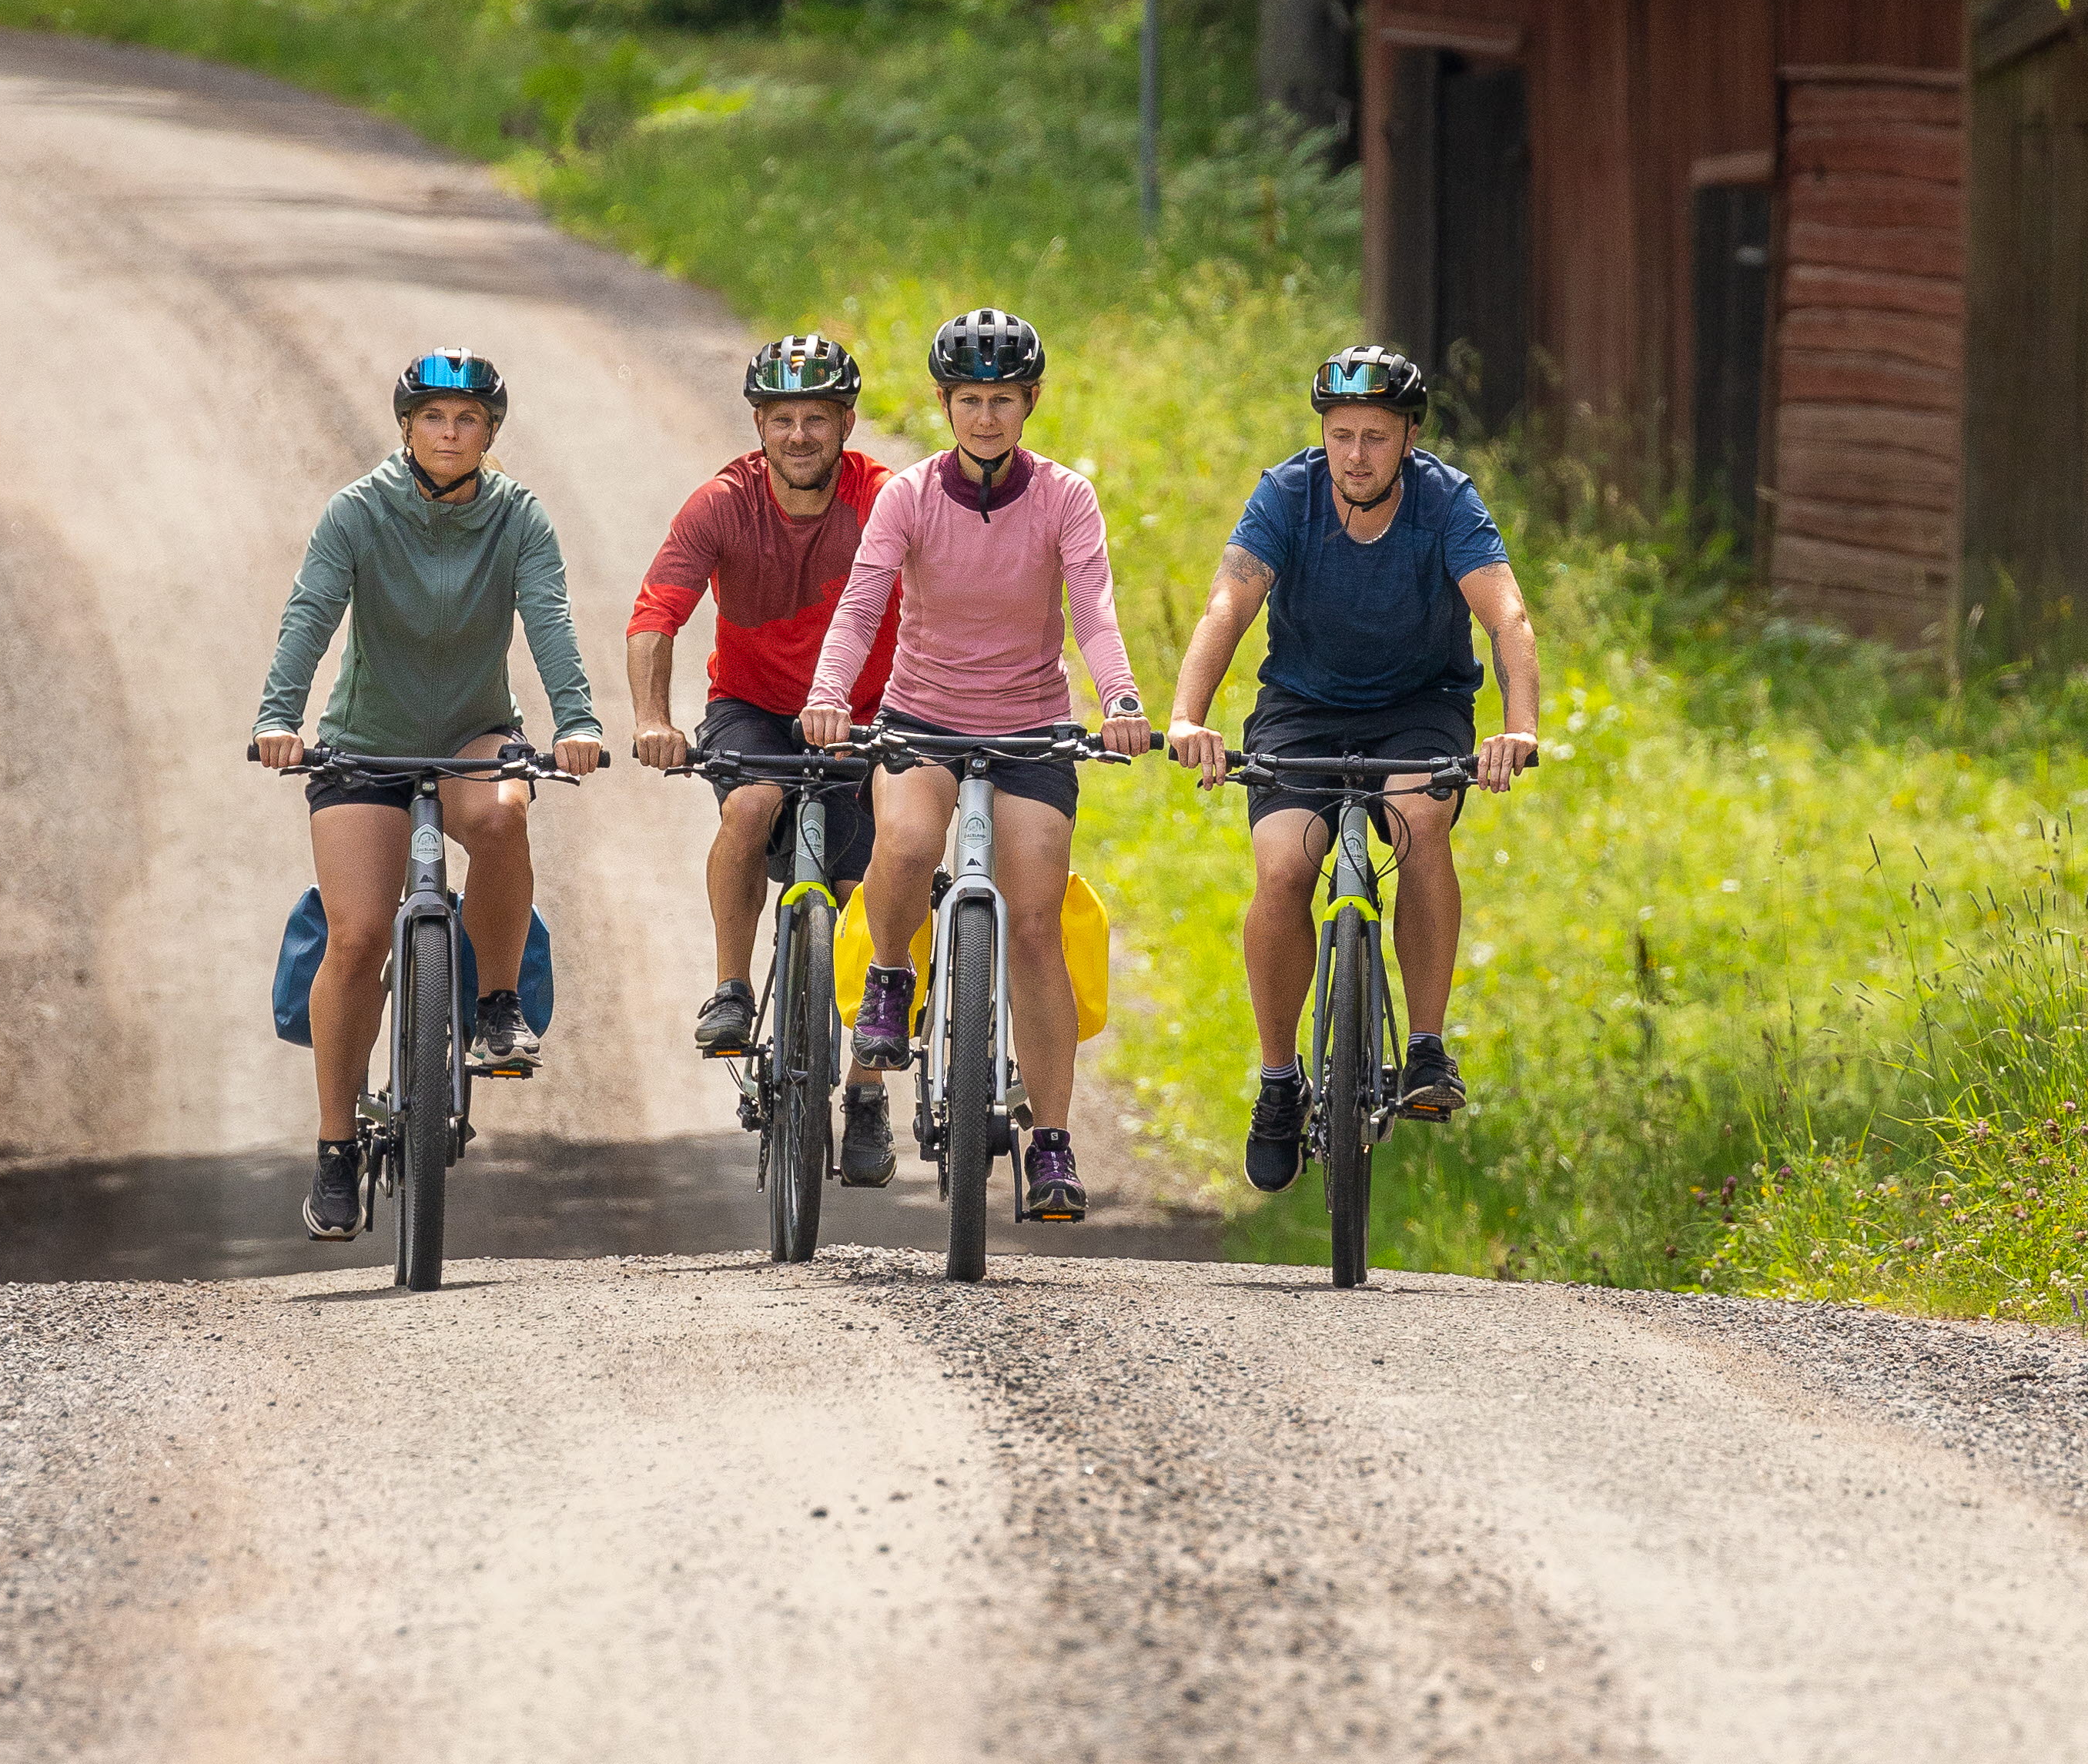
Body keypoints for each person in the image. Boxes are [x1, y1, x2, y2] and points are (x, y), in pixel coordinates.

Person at [801, 306, 1161, 1225]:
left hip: (1031, 731)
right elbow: (860, 605)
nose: (986, 418)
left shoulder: (1065, 498)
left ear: (1029, 402)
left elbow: (1094, 613)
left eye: (1003, 400)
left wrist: (1117, 700)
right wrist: (828, 693)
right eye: (969, 401)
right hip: (920, 720)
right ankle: (889, 977)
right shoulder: (910, 495)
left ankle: (1050, 1142)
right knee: (907, 840)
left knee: (1036, 921)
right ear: (943, 404)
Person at [1164, 343, 1538, 1195]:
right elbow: (1230, 600)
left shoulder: (1447, 502)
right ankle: (1275, 1083)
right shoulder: (1286, 494)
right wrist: (1189, 715)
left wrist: (1516, 731)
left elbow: (1506, 615)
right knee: (1285, 864)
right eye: (1341, 435)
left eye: (1375, 435)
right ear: (1323, 437)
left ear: (1408, 437)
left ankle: (1426, 1050)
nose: (1357, 454)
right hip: (1302, 708)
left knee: (1420, 819)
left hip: (1420, 707)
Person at [253, 347, 606, 1240]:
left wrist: (576, 722)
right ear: (406, 428)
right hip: (365, 746)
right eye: (433, 420)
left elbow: (550, 618)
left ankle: (494, 1004)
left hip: (471, 735)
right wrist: (276, 715)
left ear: (490, 433)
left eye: (468, 422)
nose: (450, 435)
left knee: (499, 813)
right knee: (359, 933)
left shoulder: (519, 517)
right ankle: (335, 1151)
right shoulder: (357, 513)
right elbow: (310, 613)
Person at [624, 331, 906, 1185]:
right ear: (757, 424)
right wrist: (650, 718)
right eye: (780, 418)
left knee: (879, 876)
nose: (797, 436)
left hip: (866, 712)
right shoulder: (720, 504)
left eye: (815, 418)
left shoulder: (885, 500)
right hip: (751, 709)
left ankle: (864, 1092)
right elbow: (655, 614)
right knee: (748, 807)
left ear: (845, 423)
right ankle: (731, 990)